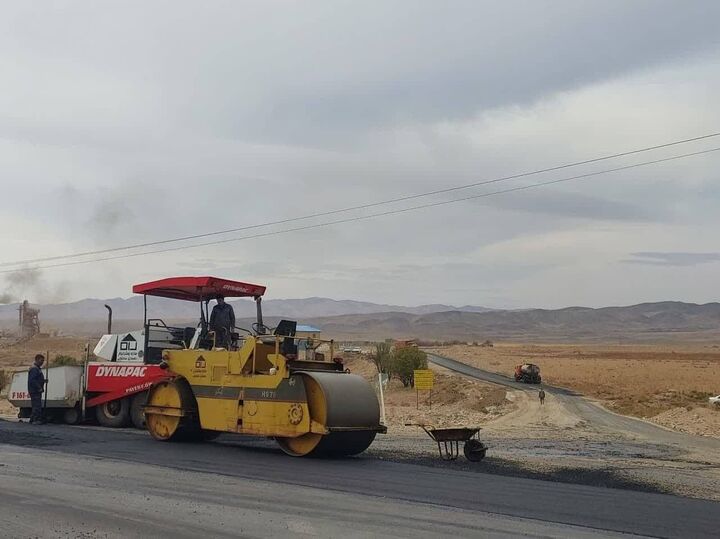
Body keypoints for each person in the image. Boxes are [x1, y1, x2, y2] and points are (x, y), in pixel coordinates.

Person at [28, 354, 46, 424]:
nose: (42, 362)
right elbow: (32, 380)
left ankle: (32, 419)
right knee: (37, 406)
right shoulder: (34, 369)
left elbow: (37, 379)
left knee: (36, 405)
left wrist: (43, 381)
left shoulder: (37, 368)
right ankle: (35, 420)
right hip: (35, 391)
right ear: (37, 360)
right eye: (41, 360)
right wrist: (39, 387)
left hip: (35, 390)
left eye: (43, 361)